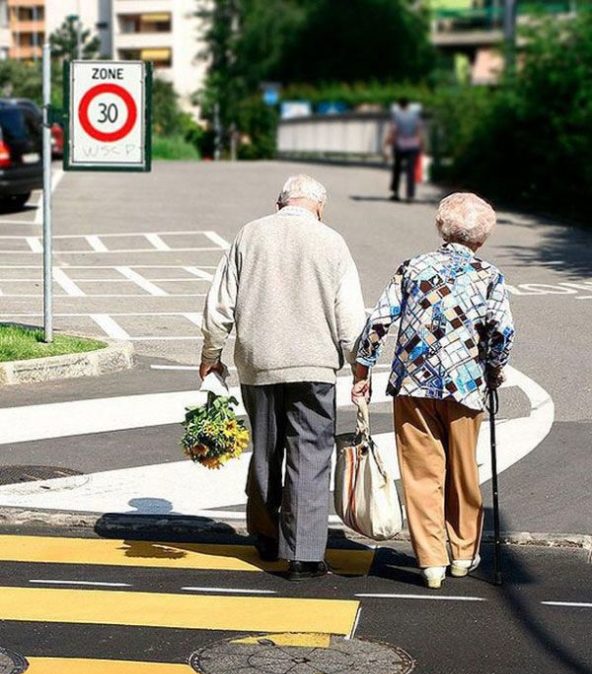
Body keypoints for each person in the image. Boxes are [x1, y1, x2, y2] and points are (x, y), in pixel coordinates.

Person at [200, 174, 366, 581]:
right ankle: (306, 555)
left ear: (280, 204)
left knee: (265, 450)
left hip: (258, 364)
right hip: (315, 367)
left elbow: (219, 304)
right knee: (311, 455)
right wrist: (360, 367)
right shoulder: (333, 242)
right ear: (319, 208)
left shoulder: (249, 235)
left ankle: (266, 535)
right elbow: (351, 318)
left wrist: (210, 355)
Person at [352, 192, 515, 589]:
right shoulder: (489, 276)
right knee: (463, 471)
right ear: (482, 237)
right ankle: (463, 553)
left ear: (443, 227)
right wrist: (493, 370)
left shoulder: (412, 268)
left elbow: (378, 321)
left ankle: (431, 562)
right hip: (465, 386)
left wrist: (363, 368)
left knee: (421, 474)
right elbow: (502, 332)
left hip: (413, 383)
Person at [387, 98, 423, 203]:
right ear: (408, 105)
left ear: (399, 105)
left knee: (397, 169)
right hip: (413, 146)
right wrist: (422, 145)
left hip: (400, 146)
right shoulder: (415, 116)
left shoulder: (397, 116)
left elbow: (393, 131)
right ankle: (410, 195)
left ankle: (395, 193)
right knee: (410, 171)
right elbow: (418, 131)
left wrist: (387, 144)